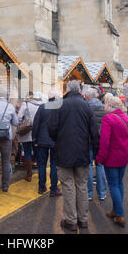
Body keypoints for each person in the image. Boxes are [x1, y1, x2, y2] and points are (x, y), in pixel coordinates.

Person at [48, 80, 99, 231]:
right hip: (83, 152)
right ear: (79, 90)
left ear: (67, 90)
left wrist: (58, 139)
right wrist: (94, 151)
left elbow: (51, 128)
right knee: (82, 186)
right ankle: (83, 219)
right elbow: (94, 132)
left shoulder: (60, 105)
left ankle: (71, 220)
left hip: (64, 152)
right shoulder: (86, 106)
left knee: (68, 186)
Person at [96, 95, 128, 228]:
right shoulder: (127, 118)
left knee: (113, 185)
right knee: (119, 184)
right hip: (124, 157)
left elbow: (104, 142)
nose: (104, 106)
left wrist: (100, 158)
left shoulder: (108, 119)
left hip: (112, 158)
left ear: (110, 106)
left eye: (105, 104)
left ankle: (120, 214)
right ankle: (116, 210)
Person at [32, 89, 62, 196]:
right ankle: (54, 188)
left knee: (42, 164)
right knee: (54, 164)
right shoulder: (60, 108)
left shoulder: (42, 107)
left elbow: (36, 124)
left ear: (49, 97)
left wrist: (34, 139)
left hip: (42, 140)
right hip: (55, 141)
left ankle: (41, 187)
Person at [84, 87, 107, 202]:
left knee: (88, 165)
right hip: (100, 139)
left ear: (87, 97)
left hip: (87, 140)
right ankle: (102, 193)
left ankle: (89, 193)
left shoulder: (85, 107)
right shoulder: (103, 107)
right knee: (100, 165)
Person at [17, 92, 43, 182]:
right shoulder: (41, 104)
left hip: (27, 132)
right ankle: (41, 174)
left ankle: (29, 175)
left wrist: (22, 122)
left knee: (27, 152)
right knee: (38, 153)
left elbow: (19, 117)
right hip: (38, 133)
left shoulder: (25, 104)